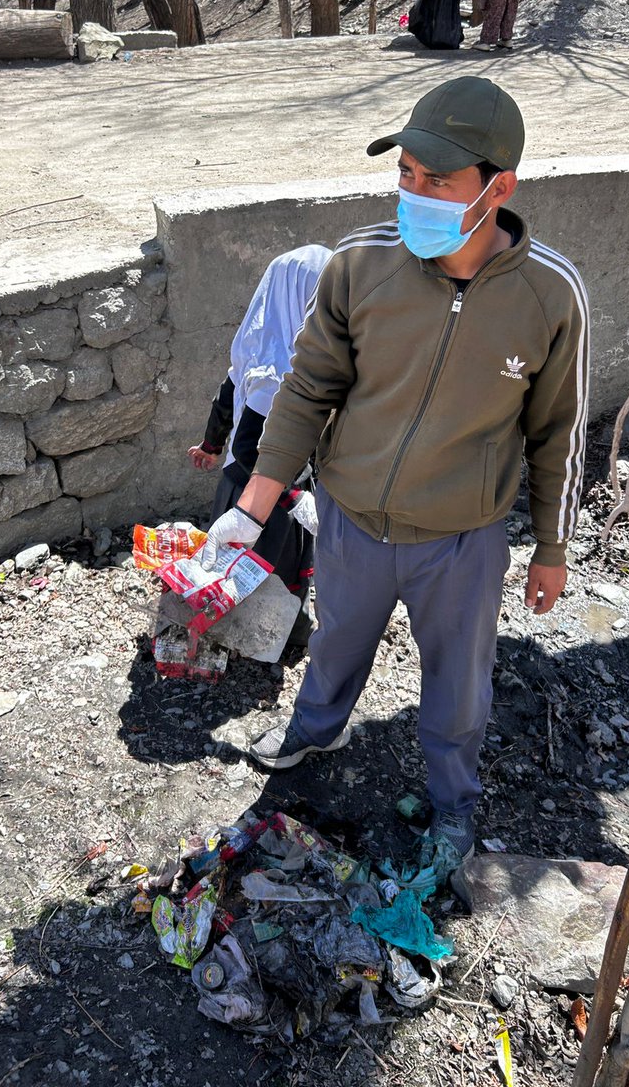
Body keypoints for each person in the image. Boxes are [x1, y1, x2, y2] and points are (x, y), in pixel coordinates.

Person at [201, 76, 588, 890]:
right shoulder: (360, 266)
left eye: (436, 180)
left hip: (461, 539)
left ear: (499, 186)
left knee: (458, 685)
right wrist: (253, 504)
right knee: (337, 637)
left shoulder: (549, 295)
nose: (414, 194)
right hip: (350, 519)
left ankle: (454, 802)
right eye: (405, 173)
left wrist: (552, 546)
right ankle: (316, 730)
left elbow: (557, 431)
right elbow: (308, 390)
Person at [188, 244, 332, 646]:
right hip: (267, 497)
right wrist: (291, 495)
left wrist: (211, 445)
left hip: (236, 485)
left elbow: (227, 395)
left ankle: (227, 625)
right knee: (271, 570)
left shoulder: (255, 346)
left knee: (232, 565)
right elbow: (257, 449)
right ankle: (277, 638)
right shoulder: (286, 368)